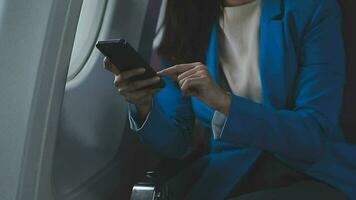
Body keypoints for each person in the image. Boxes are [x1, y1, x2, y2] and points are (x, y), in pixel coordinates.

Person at [104, 0, 354, 199]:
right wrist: (144, 104)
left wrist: (225, 103)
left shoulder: (312, 9)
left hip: (310, 171)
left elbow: (314, 135)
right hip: (229, 172)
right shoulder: (188, 18)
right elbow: (174, 143)